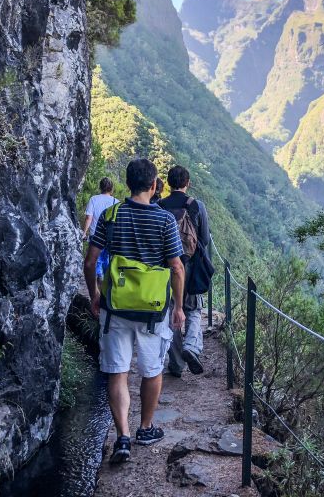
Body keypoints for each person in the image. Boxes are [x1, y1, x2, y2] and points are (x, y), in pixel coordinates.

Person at [83, 158, 185, 463]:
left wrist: (95, 295)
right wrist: (179, 307)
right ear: (154, 186)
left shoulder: (112, 216)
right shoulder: (165, 221)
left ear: (128, 184)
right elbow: (177, 267)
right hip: (153, 311)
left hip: (116, 308)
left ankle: (123, 438)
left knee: (118, 371)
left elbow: (90, 262)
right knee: (152, 370)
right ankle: (146, 428)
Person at [158, 165, 210, 377]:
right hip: (190, 267)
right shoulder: (197, 206)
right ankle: (191, 346)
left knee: (171, 312)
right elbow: (204, 239)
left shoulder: (159, 206)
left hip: (165, 268)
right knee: (193, 309)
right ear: (187, 183)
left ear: (169, 183)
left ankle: (177, 364)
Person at [83, 178, 121, 285]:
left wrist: (84, 232)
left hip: (95, 234)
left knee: (97, 258)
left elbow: (88, 218)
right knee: (107, 258)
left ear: (100, 187)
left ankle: (99, 276)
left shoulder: (94, 199)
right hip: (110, 236)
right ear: (112, 189)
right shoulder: (116, 202)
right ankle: (107, 279)